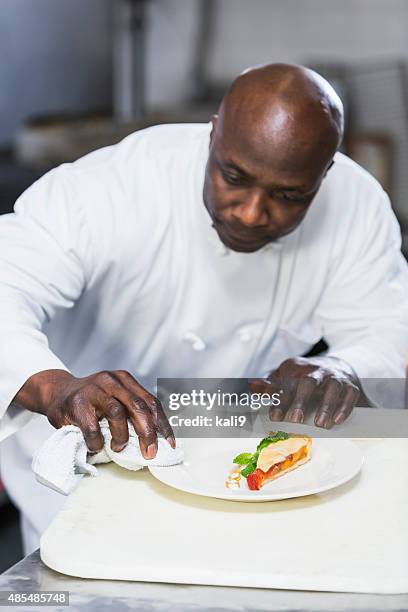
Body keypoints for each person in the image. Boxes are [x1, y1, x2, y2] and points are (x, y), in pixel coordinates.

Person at [0, 64, 407, 553]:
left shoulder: (358, 205)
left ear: (326, 173)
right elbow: (8, 282)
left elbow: (388, 329)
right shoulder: (111, 187)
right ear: (212, 135)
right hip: (87, 458)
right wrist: (54, 384)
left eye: (289, 195)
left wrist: (343, 367)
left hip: (235, 455)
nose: (252, 212)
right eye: (234, 177)